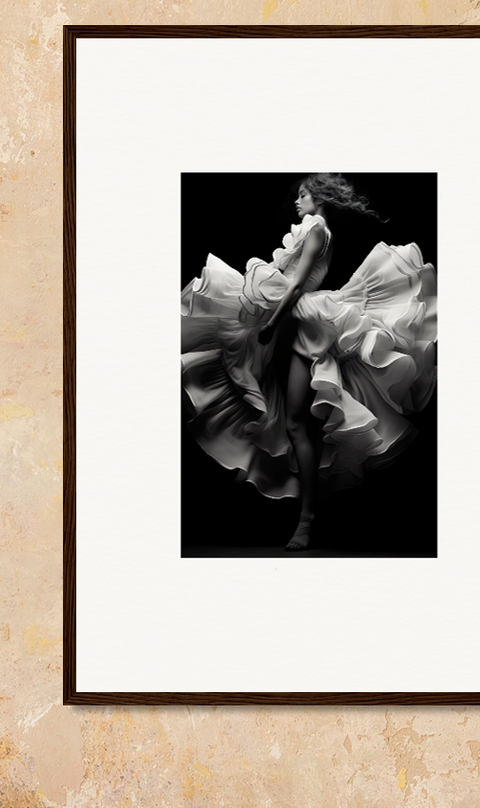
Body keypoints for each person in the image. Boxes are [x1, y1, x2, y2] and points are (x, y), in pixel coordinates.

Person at [181, 174, 437, 550]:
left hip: (300, 321)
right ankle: (310, 508)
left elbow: (298, 285)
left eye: (302, 195)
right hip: (286, 320)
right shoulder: (306, 230)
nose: (297, 201)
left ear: (319, 197)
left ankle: (308, 518)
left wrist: (269, 322)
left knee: (301, 423)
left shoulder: (317, 230)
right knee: (289, 418)